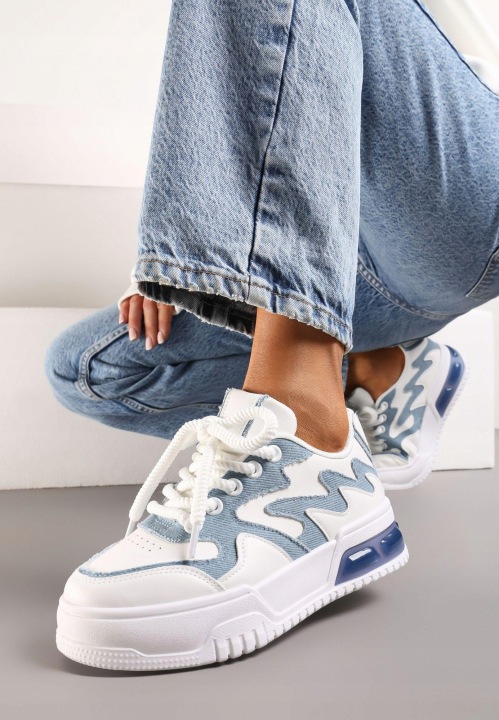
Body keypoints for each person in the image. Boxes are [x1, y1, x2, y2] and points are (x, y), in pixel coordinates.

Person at [46, 0, 499, 671]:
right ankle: (380, 368)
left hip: (457, 202)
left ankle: (309, 432)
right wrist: (193, 267)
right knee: (88, 368)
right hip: (338, 261)